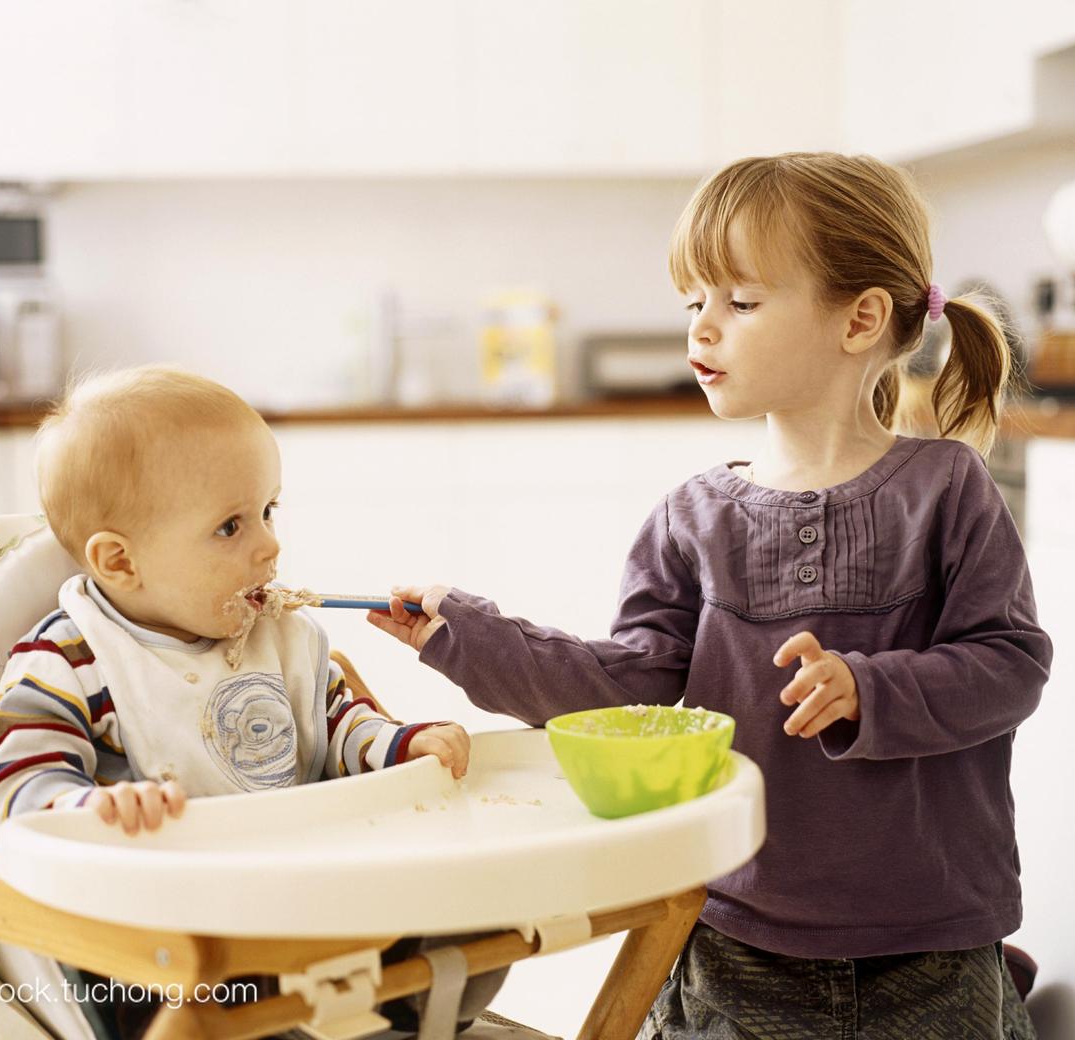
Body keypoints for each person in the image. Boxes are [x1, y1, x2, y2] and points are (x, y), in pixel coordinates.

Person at [368, 152, 1052, 1040]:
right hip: (731, 939)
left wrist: (868, 689)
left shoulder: (948, 489)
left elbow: (1010, 666)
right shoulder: (691, 517)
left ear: (862, 319)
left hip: (933, 951)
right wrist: (471, 639)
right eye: (695, 303)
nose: (703, 330)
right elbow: (631, 689)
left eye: (741, 302)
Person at [0, 365, 492, 1039]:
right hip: (167, 940)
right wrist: (90, 808)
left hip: (309, 907)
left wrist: (399, 744)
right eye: (230, 527)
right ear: (119, 563)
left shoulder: (281, 639)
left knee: (480, 899)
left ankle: (401, 1007)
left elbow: (336, 722)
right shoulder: (70, 660)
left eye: (268, 511)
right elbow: (15, 791)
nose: (269, 545)